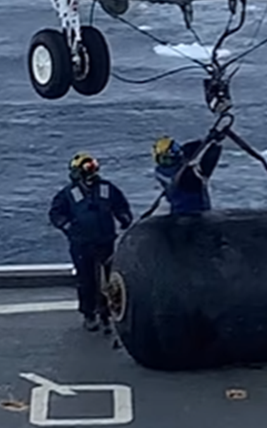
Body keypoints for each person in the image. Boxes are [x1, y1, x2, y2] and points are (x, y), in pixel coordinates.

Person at [49, 153, 133, 332]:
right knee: (86, 279)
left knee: (108, 280)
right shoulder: (69, 194)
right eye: (88, 168)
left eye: (93, 167)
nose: (92, 172)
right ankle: (89, 314)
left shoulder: (106, 188)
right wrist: (69, 226)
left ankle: (106, 314)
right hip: (82, 243)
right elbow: (56, 213)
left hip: (105, 241)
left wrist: (124, 218)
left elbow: (120, 205)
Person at [153, 135, 222, 215]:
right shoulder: (167, 174)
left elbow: (189, 148)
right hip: (187, 215)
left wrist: (211, 138)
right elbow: (205, 167)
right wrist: (215, 146)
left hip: (197, 212)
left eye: (175, 148)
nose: (176, 154)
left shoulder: (177, 162)